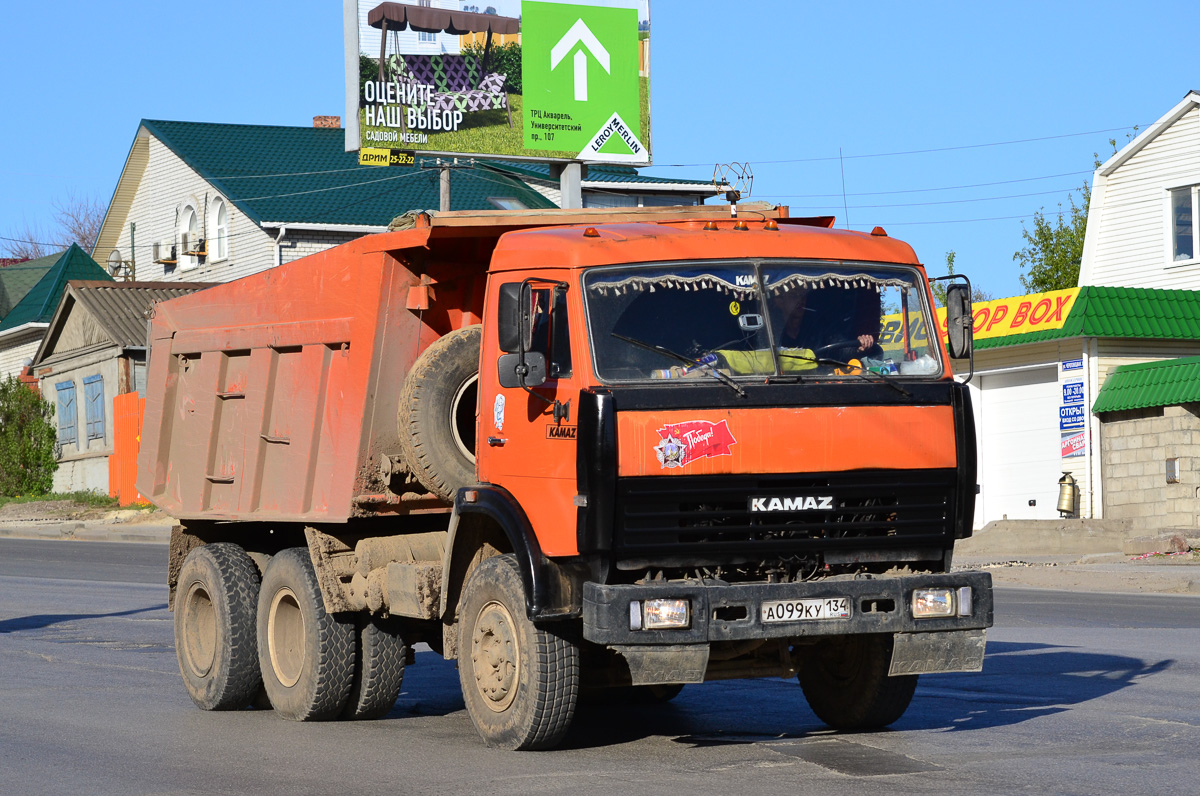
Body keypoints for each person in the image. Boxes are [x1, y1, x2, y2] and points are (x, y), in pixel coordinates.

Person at [772, 285, 879, 355]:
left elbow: (841, 348)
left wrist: (858, 347)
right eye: (794, 296)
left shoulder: (819, 328)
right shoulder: (770, 333)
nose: (800, 301)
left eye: (802, 296)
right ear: (779, 302)